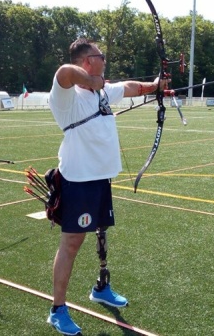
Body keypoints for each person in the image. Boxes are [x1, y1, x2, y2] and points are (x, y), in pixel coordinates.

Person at [46, 38, 167, 335]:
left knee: (101, 232)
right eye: (100, 55)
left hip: (100, 177)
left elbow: (129, 87)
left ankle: (101, 286)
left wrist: (155, 85)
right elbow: (64, 71)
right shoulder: (67, 96)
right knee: (72, 244)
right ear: (88, 61)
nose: (104, 59)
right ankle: (57, 309)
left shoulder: (102, 92)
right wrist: (92, 81)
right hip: (78, 180)